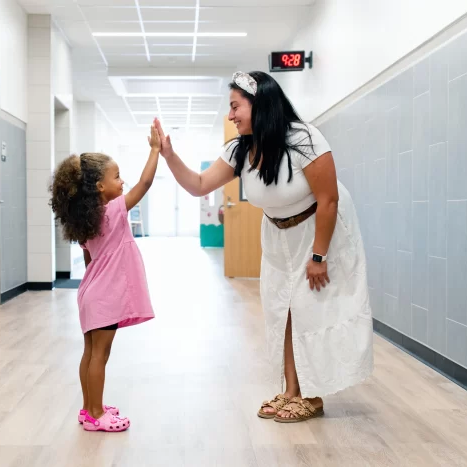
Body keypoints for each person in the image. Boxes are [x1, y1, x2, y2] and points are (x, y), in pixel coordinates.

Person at [154, 71, 373, 423]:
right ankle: (290, 391)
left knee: (310, 309)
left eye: (235, 106)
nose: (231, 115)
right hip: (277, 235)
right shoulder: (239, 150)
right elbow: (197, 184)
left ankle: (311, 395)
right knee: (282, 311)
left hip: (319, 229)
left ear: (261, 105)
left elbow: (328, 199)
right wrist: (169, 155)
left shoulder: (304, 139)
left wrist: (319, 256)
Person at [49, 122, 161, 432]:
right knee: (100, 354)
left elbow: (89, 260)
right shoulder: (113, 211)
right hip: (105, 296)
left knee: (90, 353)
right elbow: (146, 182)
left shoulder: (87, 221)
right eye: (116, 177)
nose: (123, 181)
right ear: (100, 186)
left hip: (91, 293)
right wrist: (155, 150)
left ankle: (88, 408)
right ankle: (97, 414)